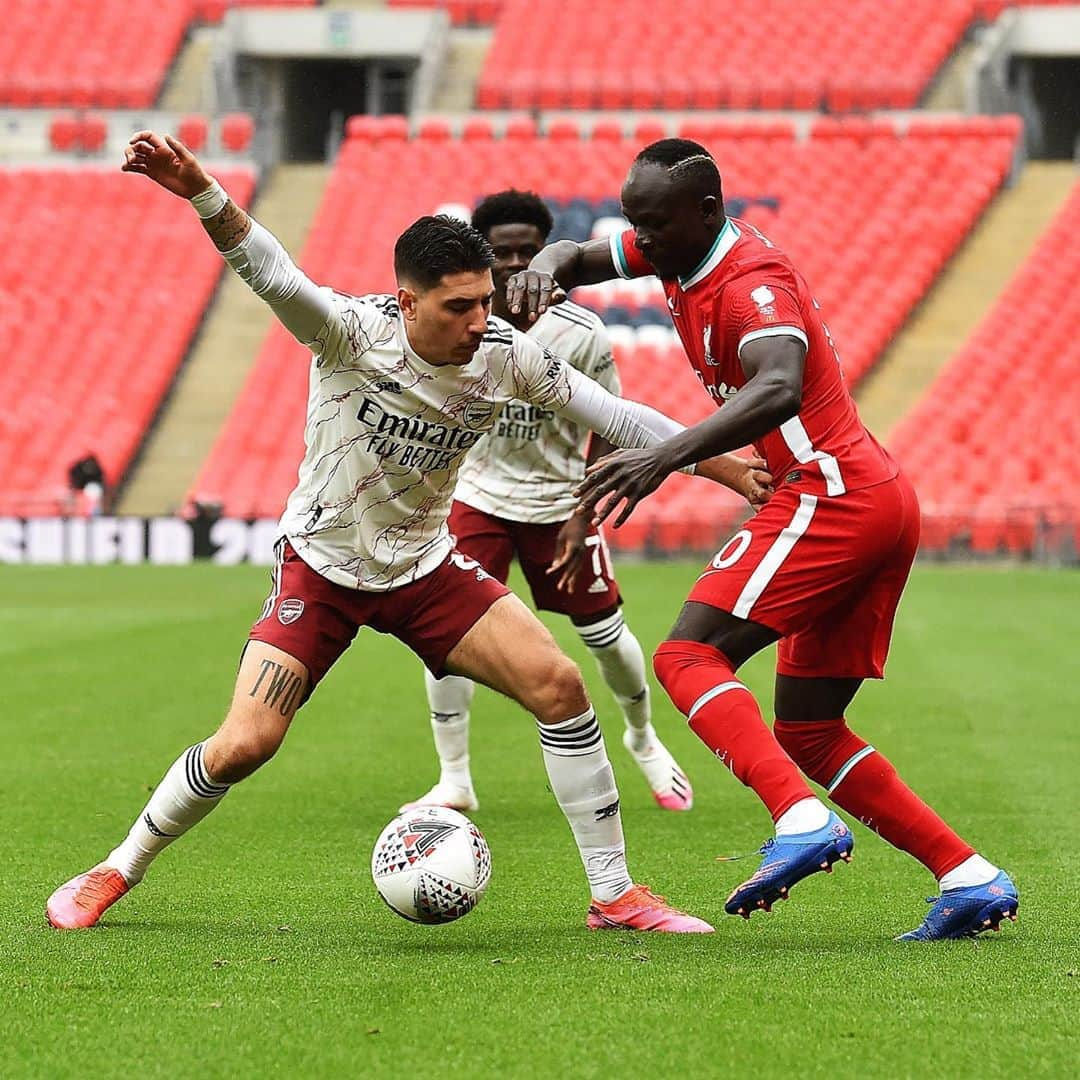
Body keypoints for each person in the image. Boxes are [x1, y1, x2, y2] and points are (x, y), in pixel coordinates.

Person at [45, 131, 770, 934]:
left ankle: (615, 895)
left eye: (487, 301)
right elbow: (267, 267)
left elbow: (618, 416)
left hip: (425, 569)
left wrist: (725, 465)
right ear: (407, 303)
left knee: (561, 689)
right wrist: (200, 189)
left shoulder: (505, 355)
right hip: (322, 567)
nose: (479, 322)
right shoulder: (350, 334)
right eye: (459, 307)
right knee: (245, 743)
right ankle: (116, 869)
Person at [507, 139, 1018, 941]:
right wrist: (553, 261)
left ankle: (799, 822)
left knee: (684, 656)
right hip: (870, 496)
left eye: (655, 223)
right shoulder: (676, 241)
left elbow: (779, 384)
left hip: (832, 494)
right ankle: (968, 875)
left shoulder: (752, 286)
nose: (643, 239)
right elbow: (587, 253)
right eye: (634, 220)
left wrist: (668, 457)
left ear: (708, 211)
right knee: (810, 728)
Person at [402, 190, 699, 816]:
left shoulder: (582, 332)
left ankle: (642, 736)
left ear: (546, 254)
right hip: (478, 499)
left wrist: (582, 514)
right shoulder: (457, 326)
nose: (514, 264)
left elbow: (611, 427)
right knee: (448, 637)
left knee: (606, 638)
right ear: (483, 257)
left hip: (559, 502)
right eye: (501, 252)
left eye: (527, 251)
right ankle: (454, 775)